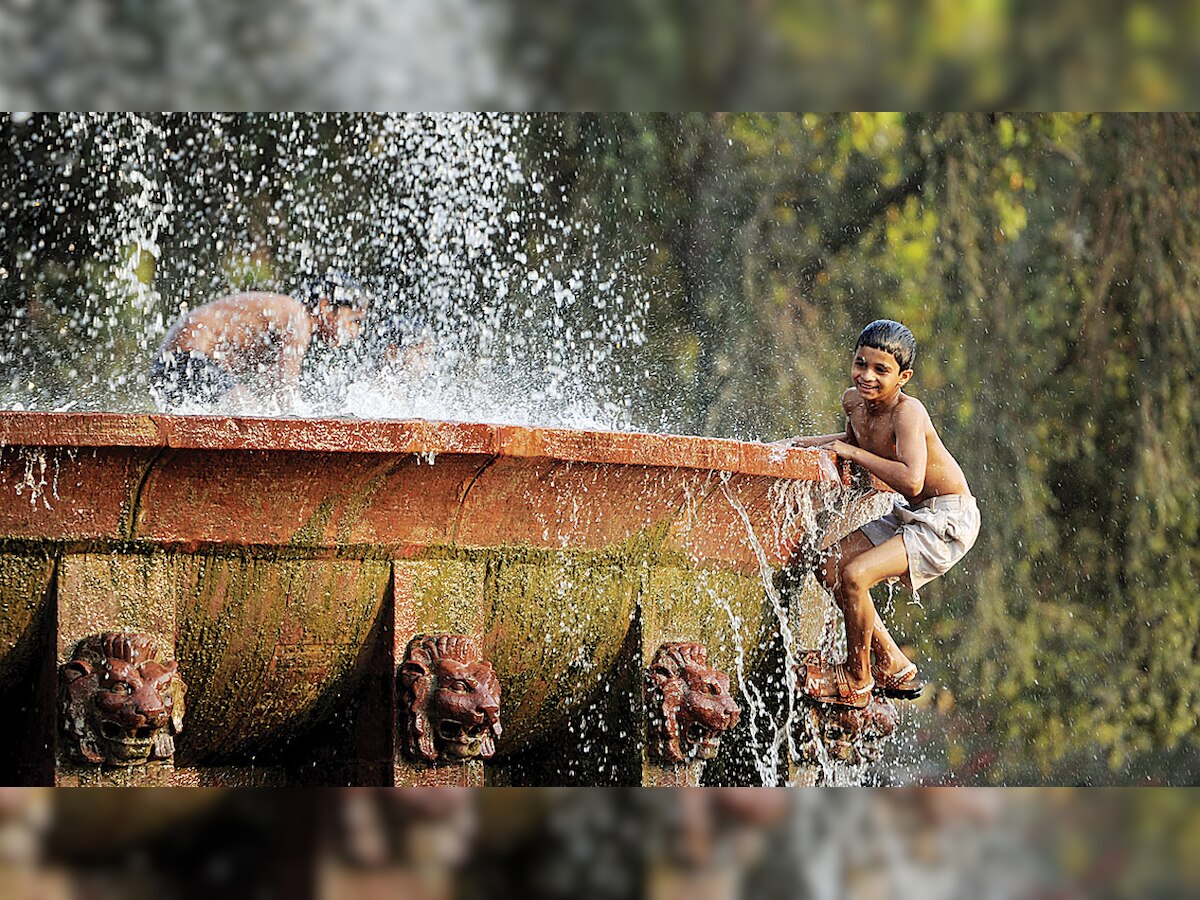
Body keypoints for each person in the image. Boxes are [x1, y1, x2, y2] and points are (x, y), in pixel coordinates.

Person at [776, 319, 980, 709]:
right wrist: (794, 446)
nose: (866, 376)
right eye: (860, 364)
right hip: (913, 514)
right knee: (831, 564)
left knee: (855, 575)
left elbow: (911, 480)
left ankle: (857, 677)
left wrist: (853, 454)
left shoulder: (909, 413)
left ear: (904, 376)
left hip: (947, 520)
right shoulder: (853, 401)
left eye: (880, 370)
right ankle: (891, 661)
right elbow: (847, 443)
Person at [149, 272, 369, 412]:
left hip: (169, 366)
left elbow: (270, 390)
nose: (356, 332)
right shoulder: (298, 317)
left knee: (248, 407)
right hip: (186, 361)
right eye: (354, 320)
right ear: (324, 307)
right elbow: (286, 390)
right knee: (244, 406)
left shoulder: (285, 317)